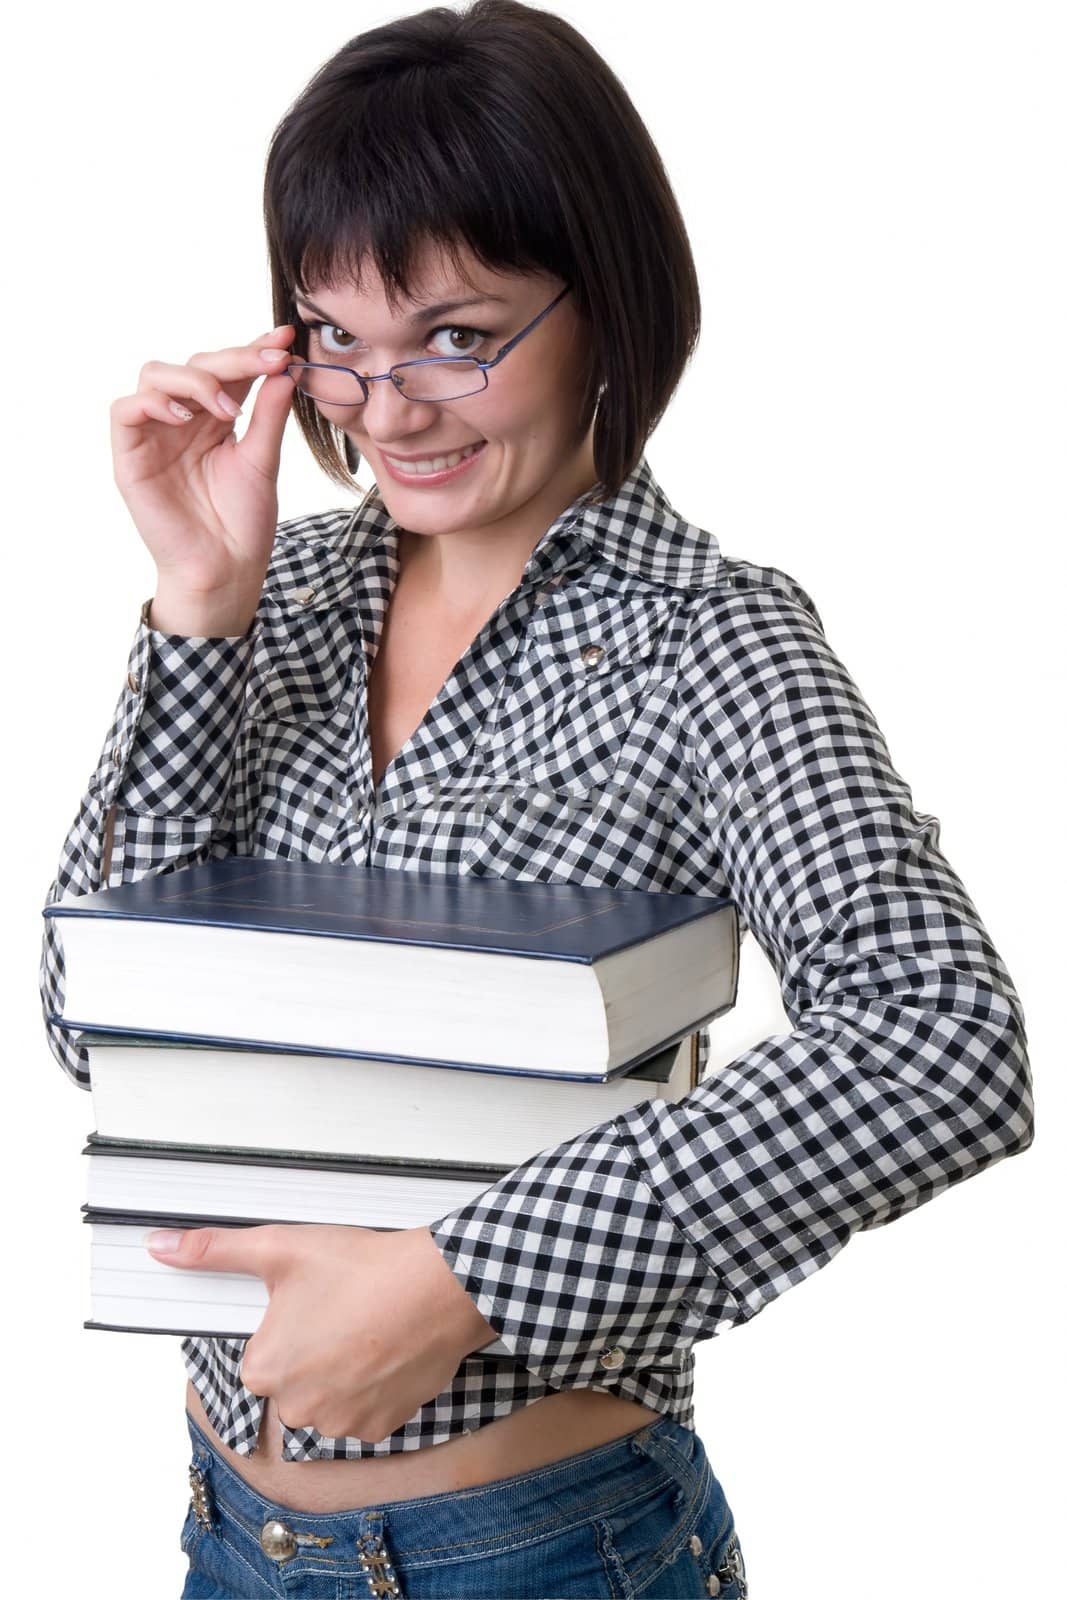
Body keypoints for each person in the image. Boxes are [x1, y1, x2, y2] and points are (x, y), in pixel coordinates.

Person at [39, 2, 1034, 1595]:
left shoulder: (713, 638)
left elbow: (937, 1042)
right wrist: (195, 617)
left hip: (541, 1548)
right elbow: (102, 1035)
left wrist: (460, 1282)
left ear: (604, 301)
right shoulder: (268, 599)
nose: (393, 408)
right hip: (228, 1537)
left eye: (456, 335)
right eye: (338, 345)